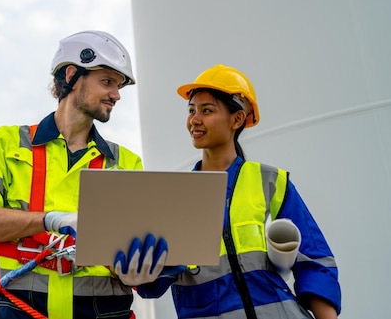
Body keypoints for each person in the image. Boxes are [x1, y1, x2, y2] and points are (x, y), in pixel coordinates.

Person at [115, 64, 341, 318]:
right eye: (191, 111)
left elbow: (314, 260)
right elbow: (153, 283)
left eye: (206, 110)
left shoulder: (269, 180)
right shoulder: (177, 196)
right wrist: (138, 272)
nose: (194, 120)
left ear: (237, 119)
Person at [0, 30, 146, 319]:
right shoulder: (5, 144)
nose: (116, 95)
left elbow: (136, 248)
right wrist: (49, 220)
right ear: (71, 75)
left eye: (119, 85)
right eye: (107, 81)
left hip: (104, 312)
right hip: (21, 310)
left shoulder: (127, 163)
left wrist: (138, 273)